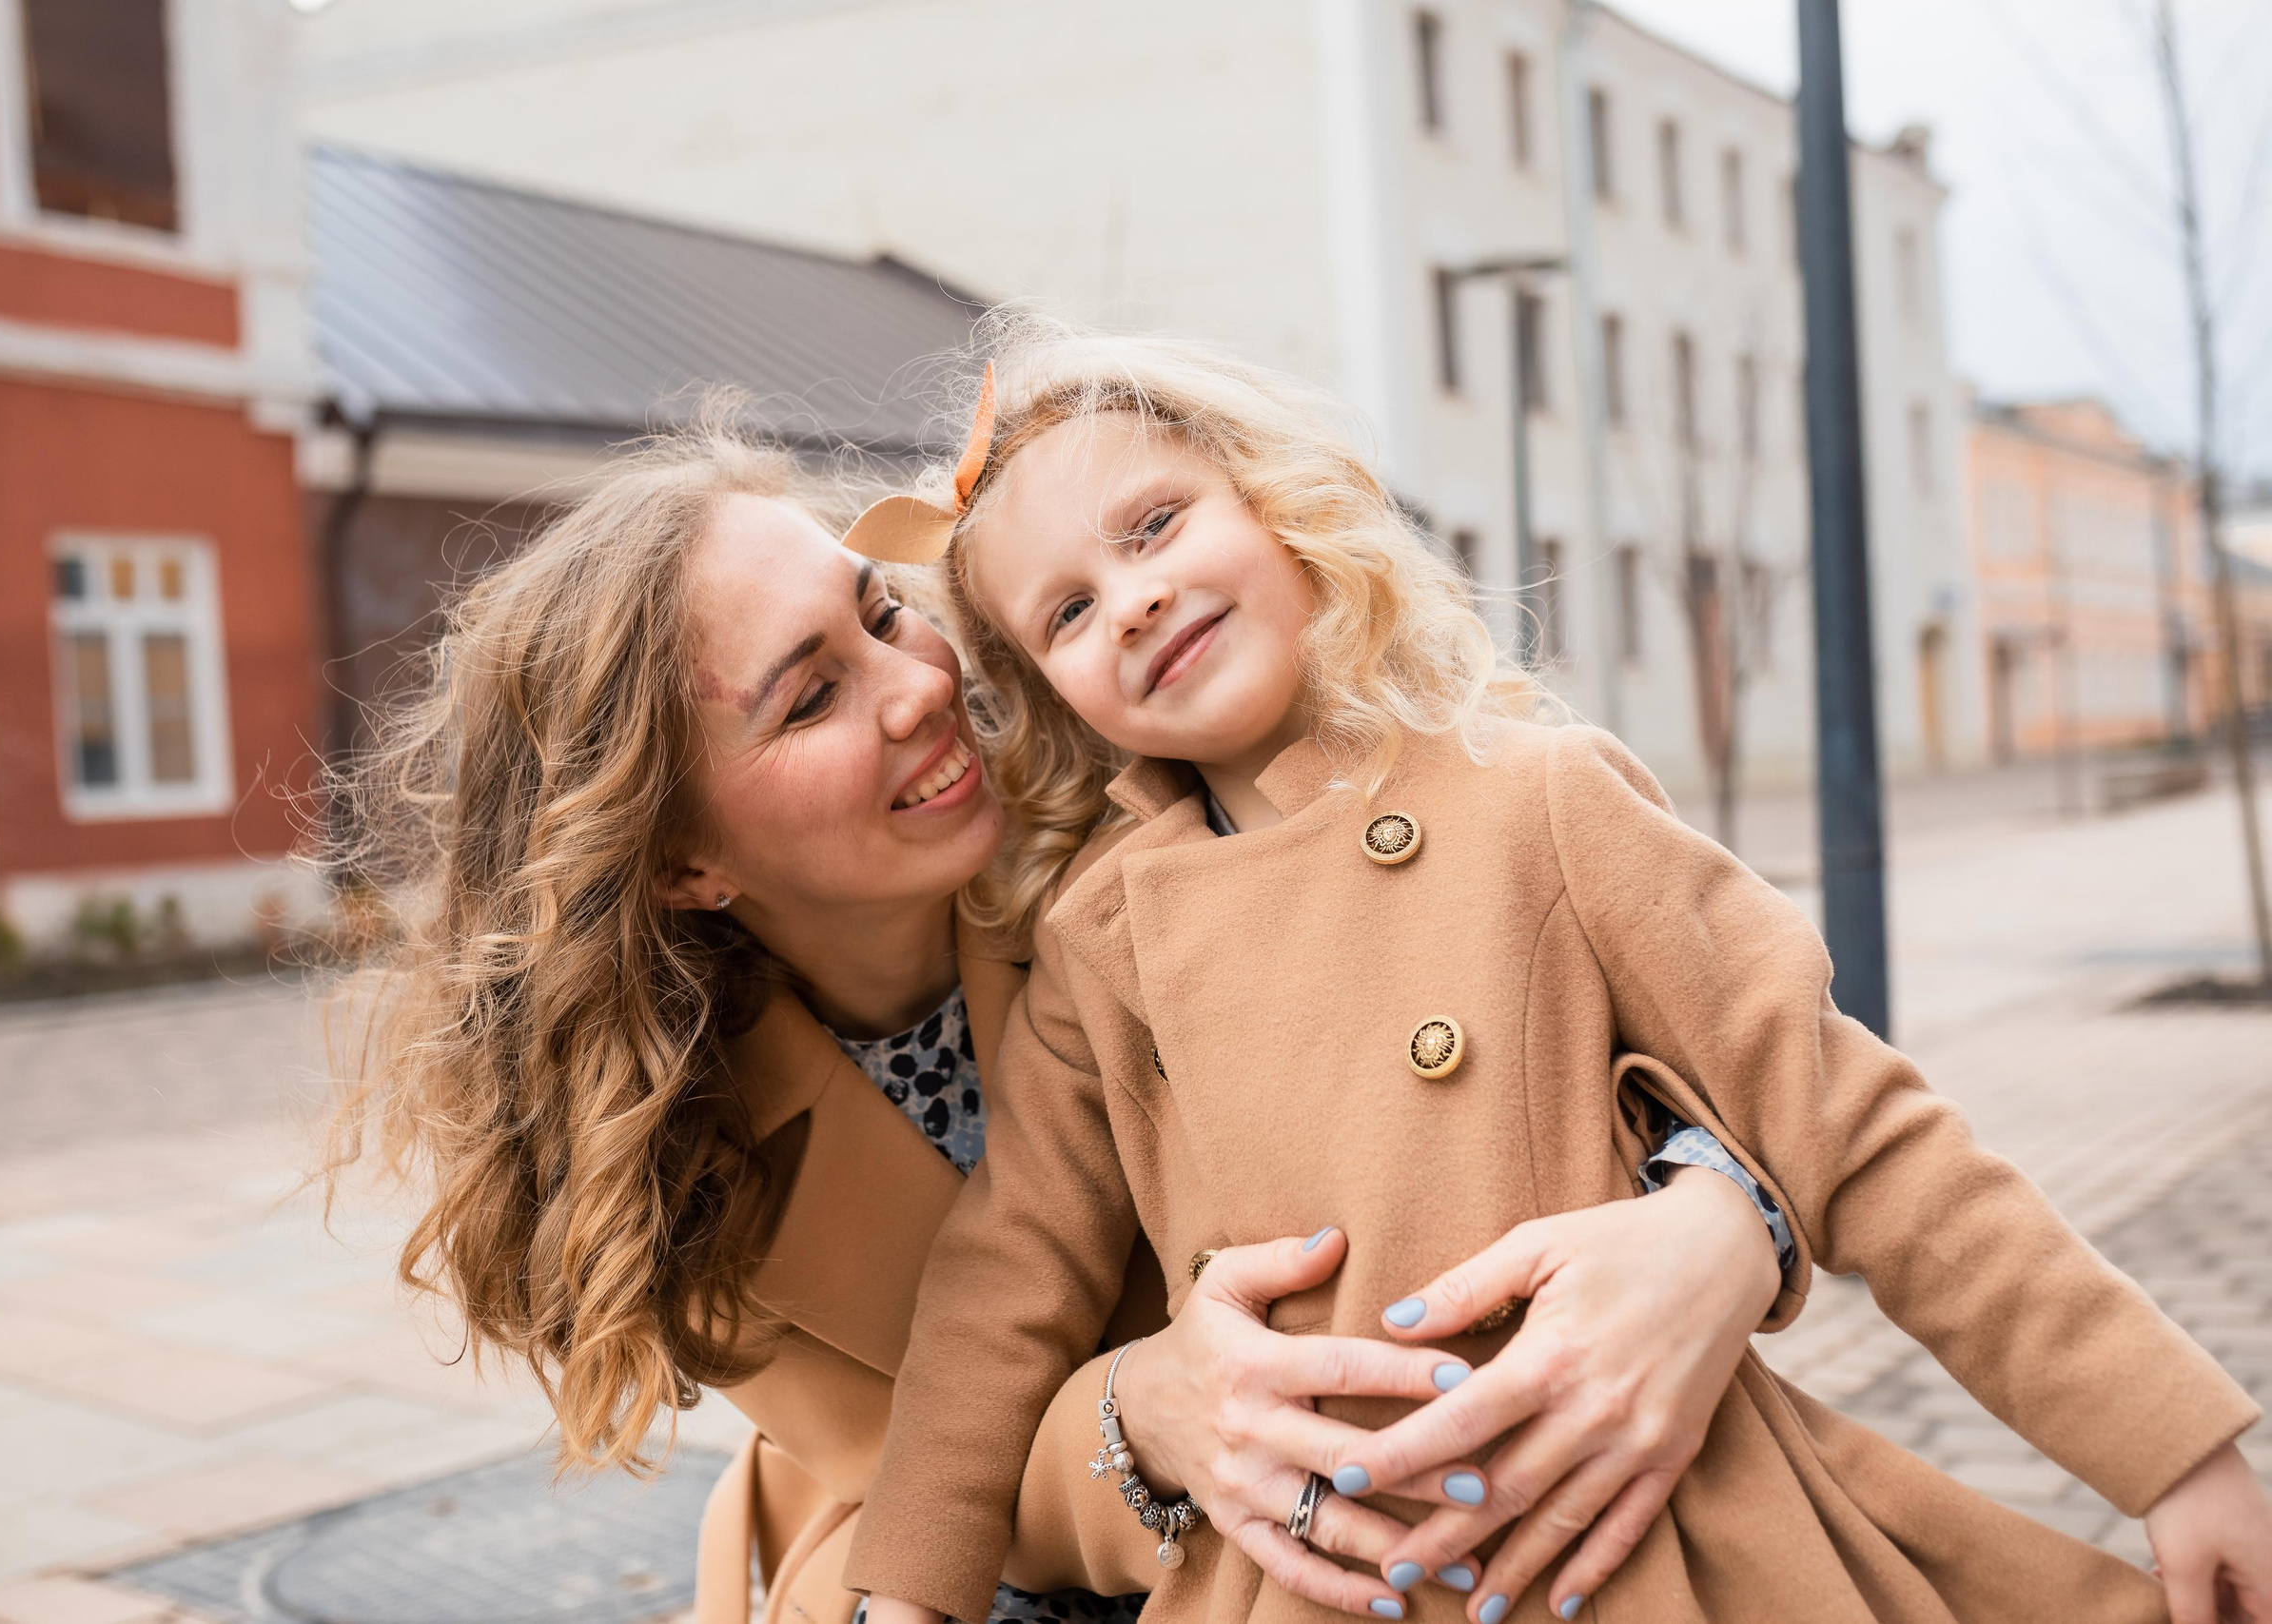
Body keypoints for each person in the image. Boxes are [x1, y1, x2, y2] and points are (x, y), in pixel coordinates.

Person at [838, 322, 2272, 1624]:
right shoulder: (1105, 940)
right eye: (1069, 613)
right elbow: (1001, 1286)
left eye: (1155, 527)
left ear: (1278, 507)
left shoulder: (1538, 802)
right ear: (1047, 693)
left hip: (1640, 1544)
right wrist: (902, 1601)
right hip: (1311, 1579)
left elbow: (1865, 1135)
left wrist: (2172, 1453)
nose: (1134, 602)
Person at [320, 424, 1796, 1624]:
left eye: (882, 611)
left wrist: (1723, 1222)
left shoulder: (1140, 789)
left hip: (1425, 1514)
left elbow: (1581, 967)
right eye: (811, 698)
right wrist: (1142, 1419)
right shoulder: (663, 1163)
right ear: (686, 862)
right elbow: (919, 1506)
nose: (918, 688)